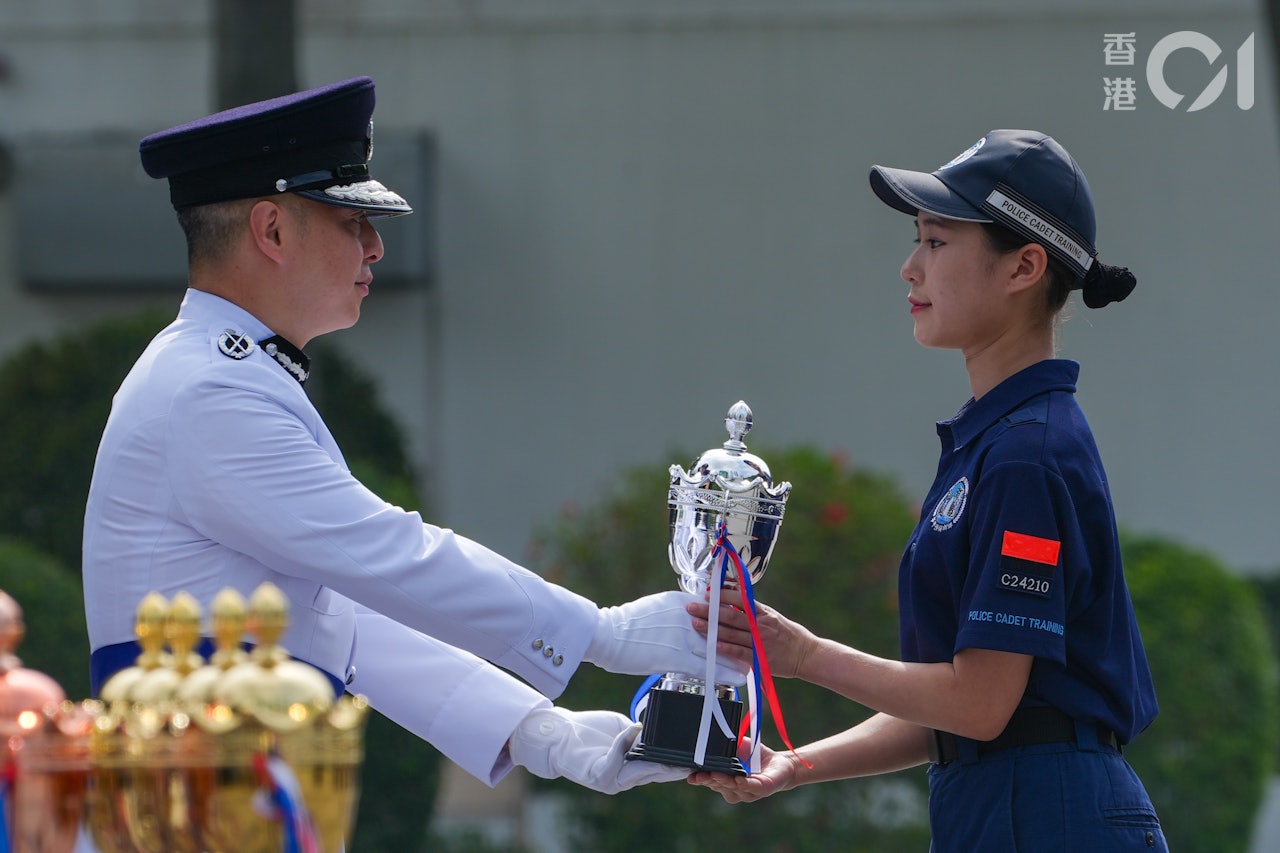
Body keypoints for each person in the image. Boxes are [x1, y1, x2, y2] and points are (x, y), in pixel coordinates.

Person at [81, 76, 743, 795]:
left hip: (231, 790)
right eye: (349, 221)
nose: (375, 247)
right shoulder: (211, 389)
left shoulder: (224, 374)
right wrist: (602, 633)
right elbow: (389, 554)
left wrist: (541, 733)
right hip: (194, 805)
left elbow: (341, 620)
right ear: (270, 230)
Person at [688, 130, 1168, 850]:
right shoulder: (997, 441)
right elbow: (955, 709)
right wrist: (793, 764)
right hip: (1007, 803)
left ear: (1025, 265)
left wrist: (803, 654)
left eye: (938, 242)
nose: (910, 268)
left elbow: (980, 704)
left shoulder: (1025, 453)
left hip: (1049, 813)